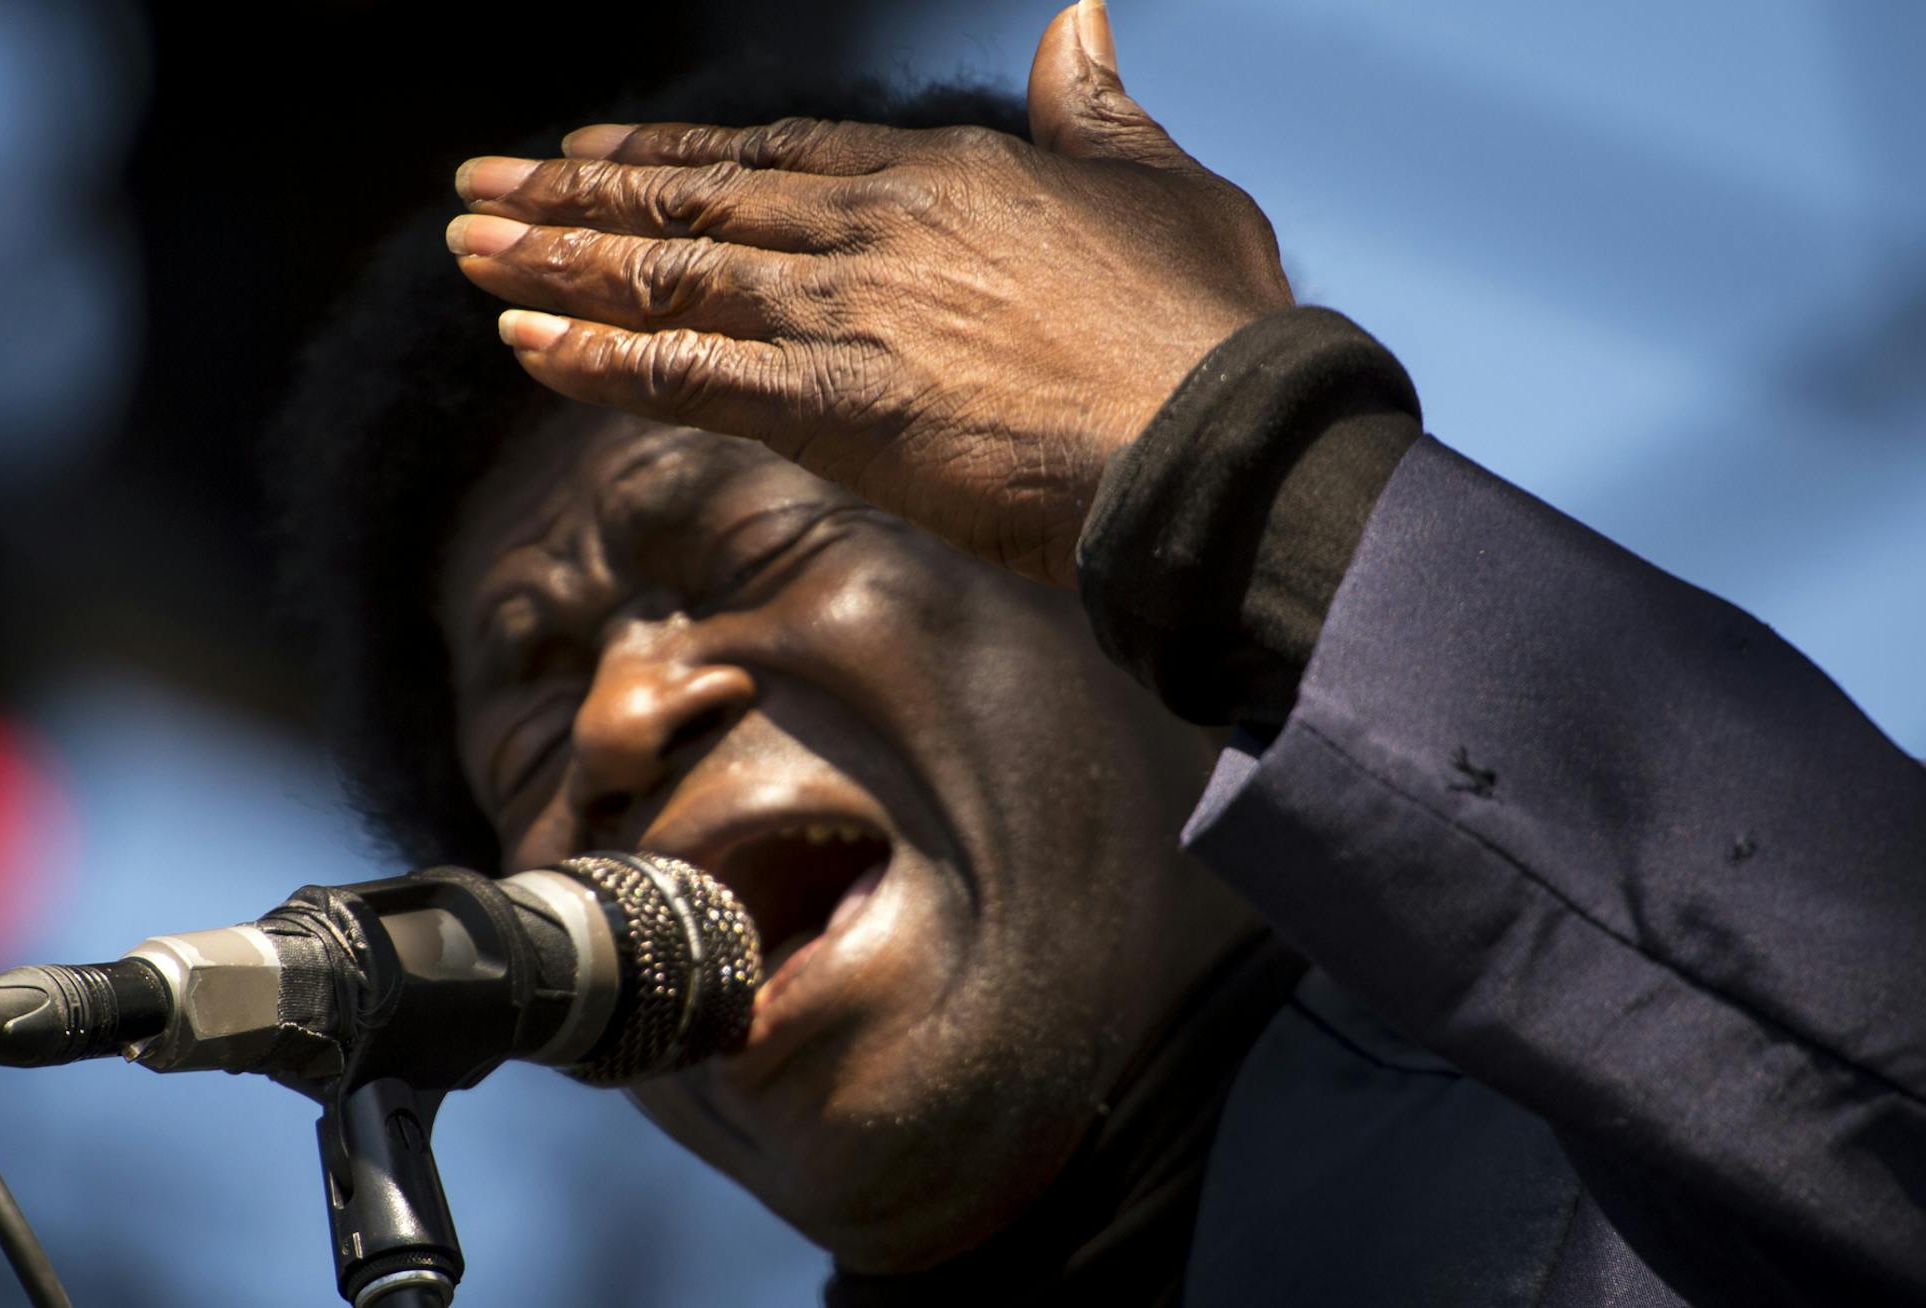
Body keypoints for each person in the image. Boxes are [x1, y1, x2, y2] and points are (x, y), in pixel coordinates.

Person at [273, 4, 1926, 1304]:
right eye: (533, 689)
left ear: (1109, 566)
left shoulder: (1660, 1205)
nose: (628, 715)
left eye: (752, 553)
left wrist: (1245, 474)